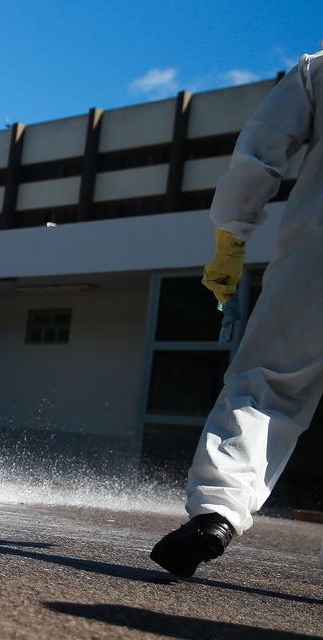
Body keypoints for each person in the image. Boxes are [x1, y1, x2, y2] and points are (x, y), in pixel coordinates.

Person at [150, 52, 323, 578]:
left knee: (266, 385)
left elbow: (259, 156)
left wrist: (231, 237)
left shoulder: (317, 70)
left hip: (315, 257)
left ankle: (217, 512)